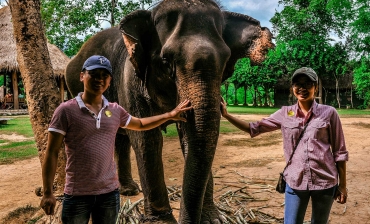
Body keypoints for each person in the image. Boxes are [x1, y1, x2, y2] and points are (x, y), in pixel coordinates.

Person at [40, 55, 192, 224]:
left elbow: (140, 124)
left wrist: (170, 115)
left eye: (104, 75)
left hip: (109, 194)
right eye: (94, 74)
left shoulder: (115, 110)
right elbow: (52, 152)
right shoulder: (65, 111)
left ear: (110, 81)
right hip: (77, 194)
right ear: (82, 76)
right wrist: (47, 193)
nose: (99, 79)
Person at [220, 67, 348, 224]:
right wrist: (226, 115)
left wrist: (343, 185)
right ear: (292, 88)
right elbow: (253, 128)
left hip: (325, 181)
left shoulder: (329, 113)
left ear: (315, 86)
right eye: (297, 84)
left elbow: (339, 151)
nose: (302, 88)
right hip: (295, 180)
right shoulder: (285, 113)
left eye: (307, 84)